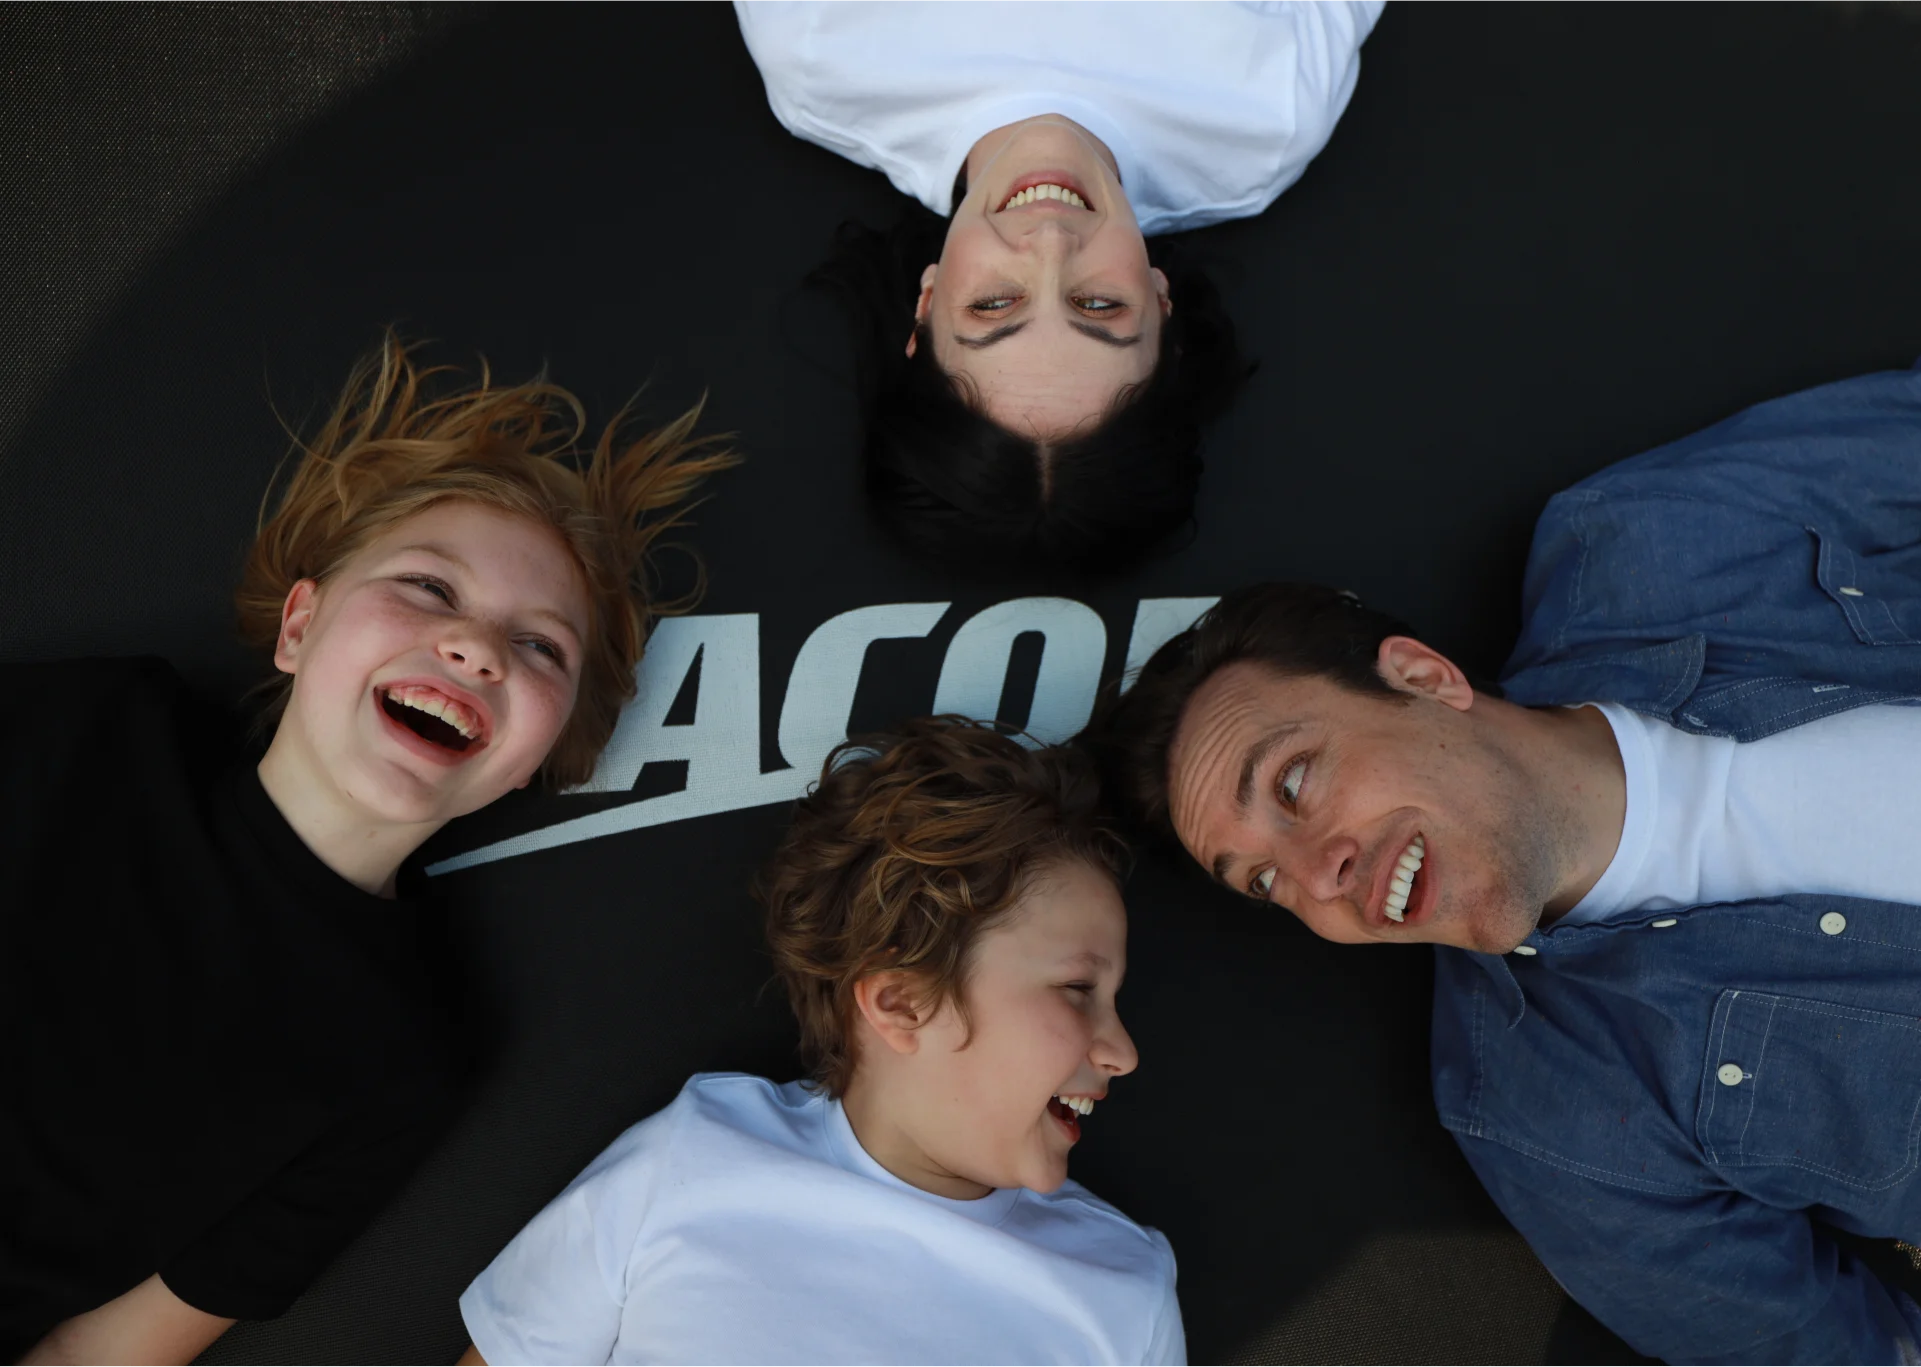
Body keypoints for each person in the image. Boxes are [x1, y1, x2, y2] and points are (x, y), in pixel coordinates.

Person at [1088, 351, 1921, 1367]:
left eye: (1290, 785)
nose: (1314, 877)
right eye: (1263, 881)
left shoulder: (1651, 543)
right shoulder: (1552, 1119)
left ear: (1420, 676)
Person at [0, 336, 736, 1367]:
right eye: (429, 588)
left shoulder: (406, 1058)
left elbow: (107, 1350)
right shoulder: (99, 728)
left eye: (539, 648)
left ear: (542, 755)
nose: (476, 647)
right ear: (298, 624)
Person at [453, 719, 1182, 1367]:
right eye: (1078, 990)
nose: (1123, 1051)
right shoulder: (692, 1159)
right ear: (903, 1002)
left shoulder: (1123, 1290)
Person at [735, 0, 1386, 571]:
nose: (1049, 241)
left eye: (994, 305)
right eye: (1098, 304)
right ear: (1164, 306)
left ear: (926, 304)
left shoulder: (818, 54)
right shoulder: (1266, 124)